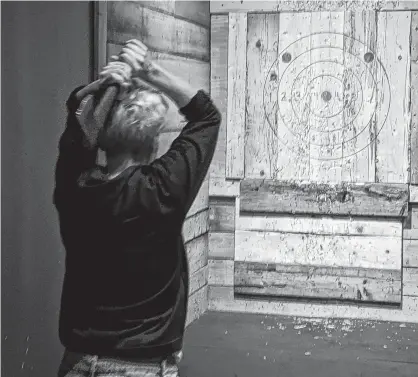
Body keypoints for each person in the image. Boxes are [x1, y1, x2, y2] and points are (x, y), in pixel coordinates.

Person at [54, 39, 221, 377]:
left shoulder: (76, 189)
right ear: (152, 142)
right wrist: (148, 70)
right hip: (142, 367)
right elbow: (206, 117)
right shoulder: (160, 189)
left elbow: (77, 127)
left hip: (77, 362)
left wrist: (101, 88)